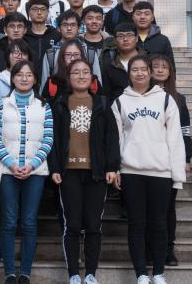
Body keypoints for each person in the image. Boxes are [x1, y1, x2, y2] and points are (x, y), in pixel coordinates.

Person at [111, 55, 186, 284]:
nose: (140, 73)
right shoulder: (120, 102)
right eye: (135, 69)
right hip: (131, 172)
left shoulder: (165, 100)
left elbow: (175, 139)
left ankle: (159, 273)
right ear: (129, 73)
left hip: (160, 172)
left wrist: (177, 176)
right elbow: (116, 140)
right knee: (136, 224)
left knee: (159, 224)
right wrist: (116, 169)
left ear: (150, 72)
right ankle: (141, 274)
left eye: (144, 69)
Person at [49, 59, 120, 284]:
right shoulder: (59, 103)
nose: (81, 76)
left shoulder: (102, 103)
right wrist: (55, 167)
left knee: (93, 225)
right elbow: (53, 139)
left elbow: (112, 137)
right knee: (72, 225)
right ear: (68, 77)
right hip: (68, 172)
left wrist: (112, 167)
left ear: (92, 77)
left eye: (86, 72)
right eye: (76, 72)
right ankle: (73, 274)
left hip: (96, 172)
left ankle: (90, 274)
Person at [0, 60, 54, 284]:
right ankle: (9, 273)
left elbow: (48, 139)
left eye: (29, 74)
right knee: (8, 222)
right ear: (12, 78)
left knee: (29, 222)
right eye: (19, 74)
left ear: (35, 79)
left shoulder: (44, 106)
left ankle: (25, 272)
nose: (24, 78)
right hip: (8, 172)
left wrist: (32, 164)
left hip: (35, 173)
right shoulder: (2, 105)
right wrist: (11, 164)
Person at [150, 54, 192, 267]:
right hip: (148, 158)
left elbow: (185, 131)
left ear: (170, 72)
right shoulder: (142, 96)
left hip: (171, 159)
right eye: (155, 66)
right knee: (149, 209)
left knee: (167, 208)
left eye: (164, 67)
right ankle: (149, 248)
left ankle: (168, 249)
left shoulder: (179, 99)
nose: (159, 70)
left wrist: (187, 157)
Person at [42, 39, 99, 105]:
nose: (72, 58)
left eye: (76, 54)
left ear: (82, 56)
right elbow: (45, 108)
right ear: (62, 57)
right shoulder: (52, 82)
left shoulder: (92, 81)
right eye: (68, 55)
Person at [0, 39, 32, 116]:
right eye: (16, 53)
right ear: (8, 56)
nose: (20, 56)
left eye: (24, 53)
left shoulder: (31, 80)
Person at [40, 10, 81, 91]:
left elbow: (96, 81)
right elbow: (45, 83)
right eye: (65, 25)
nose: (69, 28)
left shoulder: (88, 51)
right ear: (58, 28)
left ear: (78, 28)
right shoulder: (50, 54)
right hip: (56, 96)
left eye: (73, 25)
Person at [23, 0, 60, 80]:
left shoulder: (56, 35)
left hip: (52, 80)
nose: (39, 12)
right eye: (35, 9)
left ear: (48, 12)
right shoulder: (23, 35)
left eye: (43, 9)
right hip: (27, 79)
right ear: (29, 12)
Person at [101, 23, 139, 105]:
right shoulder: (110, 65)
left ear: (136, 38)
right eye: (121, 36)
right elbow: (107, 94)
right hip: (118, 109)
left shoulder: (147, 61)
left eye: (129, 35)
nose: (125, 39)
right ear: (115, 40)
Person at [132, 1, 176, 70]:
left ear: (152, 17)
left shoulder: (163, 40)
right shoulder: (127, 39)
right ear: (133, 17)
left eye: (147, 14)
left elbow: (171, 68)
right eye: (138, 14)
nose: (142, 17)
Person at [79, 5, 114, 89]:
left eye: (98, 18)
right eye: (90, 18)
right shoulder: (77, 44)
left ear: (102, 22)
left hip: (109, 89)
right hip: (84, 89)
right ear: (83, 21)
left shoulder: (112, 44)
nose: (94, 21)